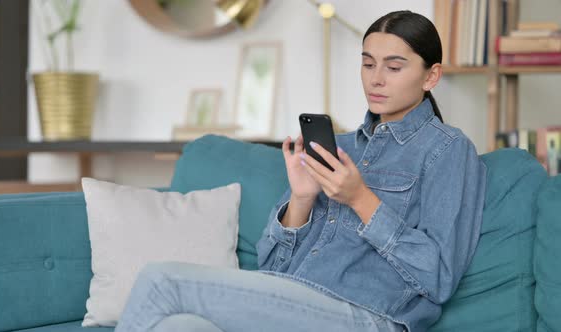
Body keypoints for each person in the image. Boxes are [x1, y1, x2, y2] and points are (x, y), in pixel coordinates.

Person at [115, 10, 487, 332]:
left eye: (393, 67)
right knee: (180, 327)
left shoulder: (448, 150)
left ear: (430, 76)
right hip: (295, 302)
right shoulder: (340, 146)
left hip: (368, 315)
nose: (376, 79)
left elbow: (438, 277)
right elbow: (272, 265)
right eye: (368, 63)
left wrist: (359, 198)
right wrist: (302, 199)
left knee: (160, 280)